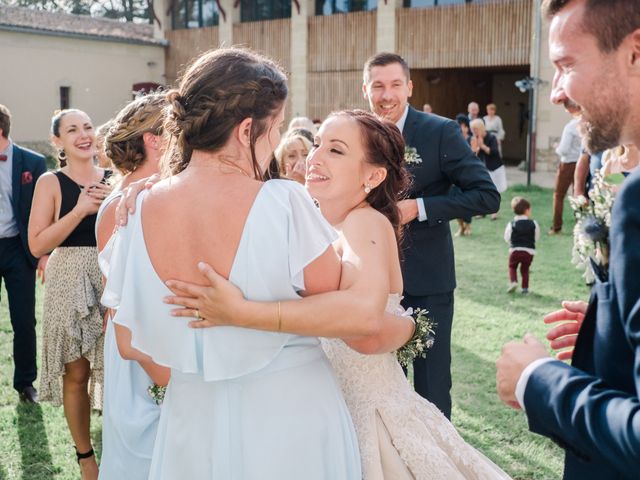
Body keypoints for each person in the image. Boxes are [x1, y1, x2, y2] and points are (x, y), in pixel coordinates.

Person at [162, 110, 512, 480]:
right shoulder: (314, 220)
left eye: (336, 150)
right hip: (322, 407)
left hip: (368, 415)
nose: (316, 157)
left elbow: (365, 332)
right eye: (317, 145)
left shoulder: (364, 222)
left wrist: (409, 328)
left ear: (373, 176)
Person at [101, 48, 361, 480]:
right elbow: (338, 309)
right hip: (289, 413)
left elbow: (128, 342)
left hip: (190, 416)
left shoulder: (138, 208)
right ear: (246, 130)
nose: (276, 140)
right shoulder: (284, 201)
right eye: (275, 127)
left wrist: (205, 373)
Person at [496, 1, 640, 479]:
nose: (555, 91)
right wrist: (610, 330)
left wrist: (537, 381)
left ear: (634, 53)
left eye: (566, 65)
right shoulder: (612, 168)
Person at [360, 52, 500, 419]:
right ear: (365, 90)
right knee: (381, 385)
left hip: (426, 281)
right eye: (377, 86)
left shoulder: (439, 131)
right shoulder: (356, 134)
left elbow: (485, 195)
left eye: (394, 85)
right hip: (368, 282)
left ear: (409, 87)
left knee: (431, 389)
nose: (386, 95)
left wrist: (418, 209)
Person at [28, 109, 112, 479]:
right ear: (57, 142)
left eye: (88, 127)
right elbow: (36, 244)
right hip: (68, 276)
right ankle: (86, 458)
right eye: (72, 129)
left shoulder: (116, 177)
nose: (83, 135)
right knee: (76, 373)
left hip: (112, 274)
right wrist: (80, 211)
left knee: (118, 368)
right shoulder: (50, 182)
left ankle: (125, 446)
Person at [96, 93, 170, 480]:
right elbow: (120, 304)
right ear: (153, 140)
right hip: (141, 348)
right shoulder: (122, 204)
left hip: (153, 337)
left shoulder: (149, 192)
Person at [0, 104, 47, 404]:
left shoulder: (33, 163)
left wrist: (44, 252)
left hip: (19, 247)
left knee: (23, 319)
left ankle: (25, 384)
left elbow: (45, 212)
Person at [549, 113, 582, 234]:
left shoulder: (571, 126)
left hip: (568, 163)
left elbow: (563, 149)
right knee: (578, 195)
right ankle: (580, 225)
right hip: (582, 162)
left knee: (558, 195)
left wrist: (556, 147)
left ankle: (556, 227)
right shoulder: (587, 123)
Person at [470, 118, 507, 219]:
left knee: (494, 191)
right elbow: (473, 155)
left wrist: (482, 146)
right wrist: (476, 148)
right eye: (472, 130)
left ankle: (494, 212)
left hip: (495, 168)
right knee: (482, 190)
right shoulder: (474, 139)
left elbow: (494, 152)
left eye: (475, 129)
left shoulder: (491, 138)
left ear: (481, 128)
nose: (473, 132)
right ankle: (482, 212)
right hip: (483, 169)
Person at [504, 197, 540, 294]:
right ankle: (525, 288)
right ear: (527, 210)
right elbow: (536, 236)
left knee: (512, 266)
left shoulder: (512, 224)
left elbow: (507, 237)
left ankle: (513, 281)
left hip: (515, 250)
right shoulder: (534, 223)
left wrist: (512, 243)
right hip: (529, 251)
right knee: (525, 269)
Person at [454, 114, 473, 236]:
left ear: (466, 127)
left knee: (467, 202)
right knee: (455, 202)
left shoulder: (472, 140)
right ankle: (460, 226)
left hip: (468, 175)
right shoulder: (453, 139)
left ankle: (468, 226)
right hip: (455, 176)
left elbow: (473, 157)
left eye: (461, 126)